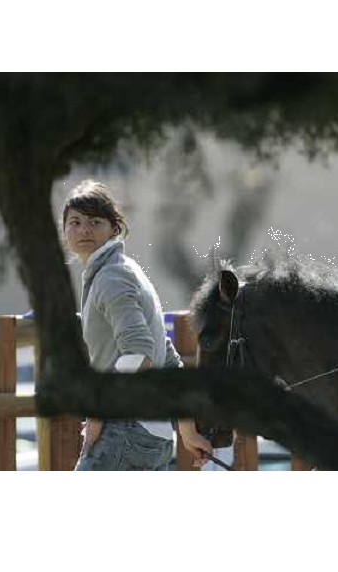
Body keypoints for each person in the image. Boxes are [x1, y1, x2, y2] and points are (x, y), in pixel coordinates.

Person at [63, 179, 213, 470]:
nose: (84, 230)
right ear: (65, 229)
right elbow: (168, 360)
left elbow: (139, 352)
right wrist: (187, 432)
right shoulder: (124, 270)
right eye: (75, 222)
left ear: (114, 229)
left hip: (123, 429)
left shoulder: (111, 276)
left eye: (95, 222)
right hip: (153, 437)